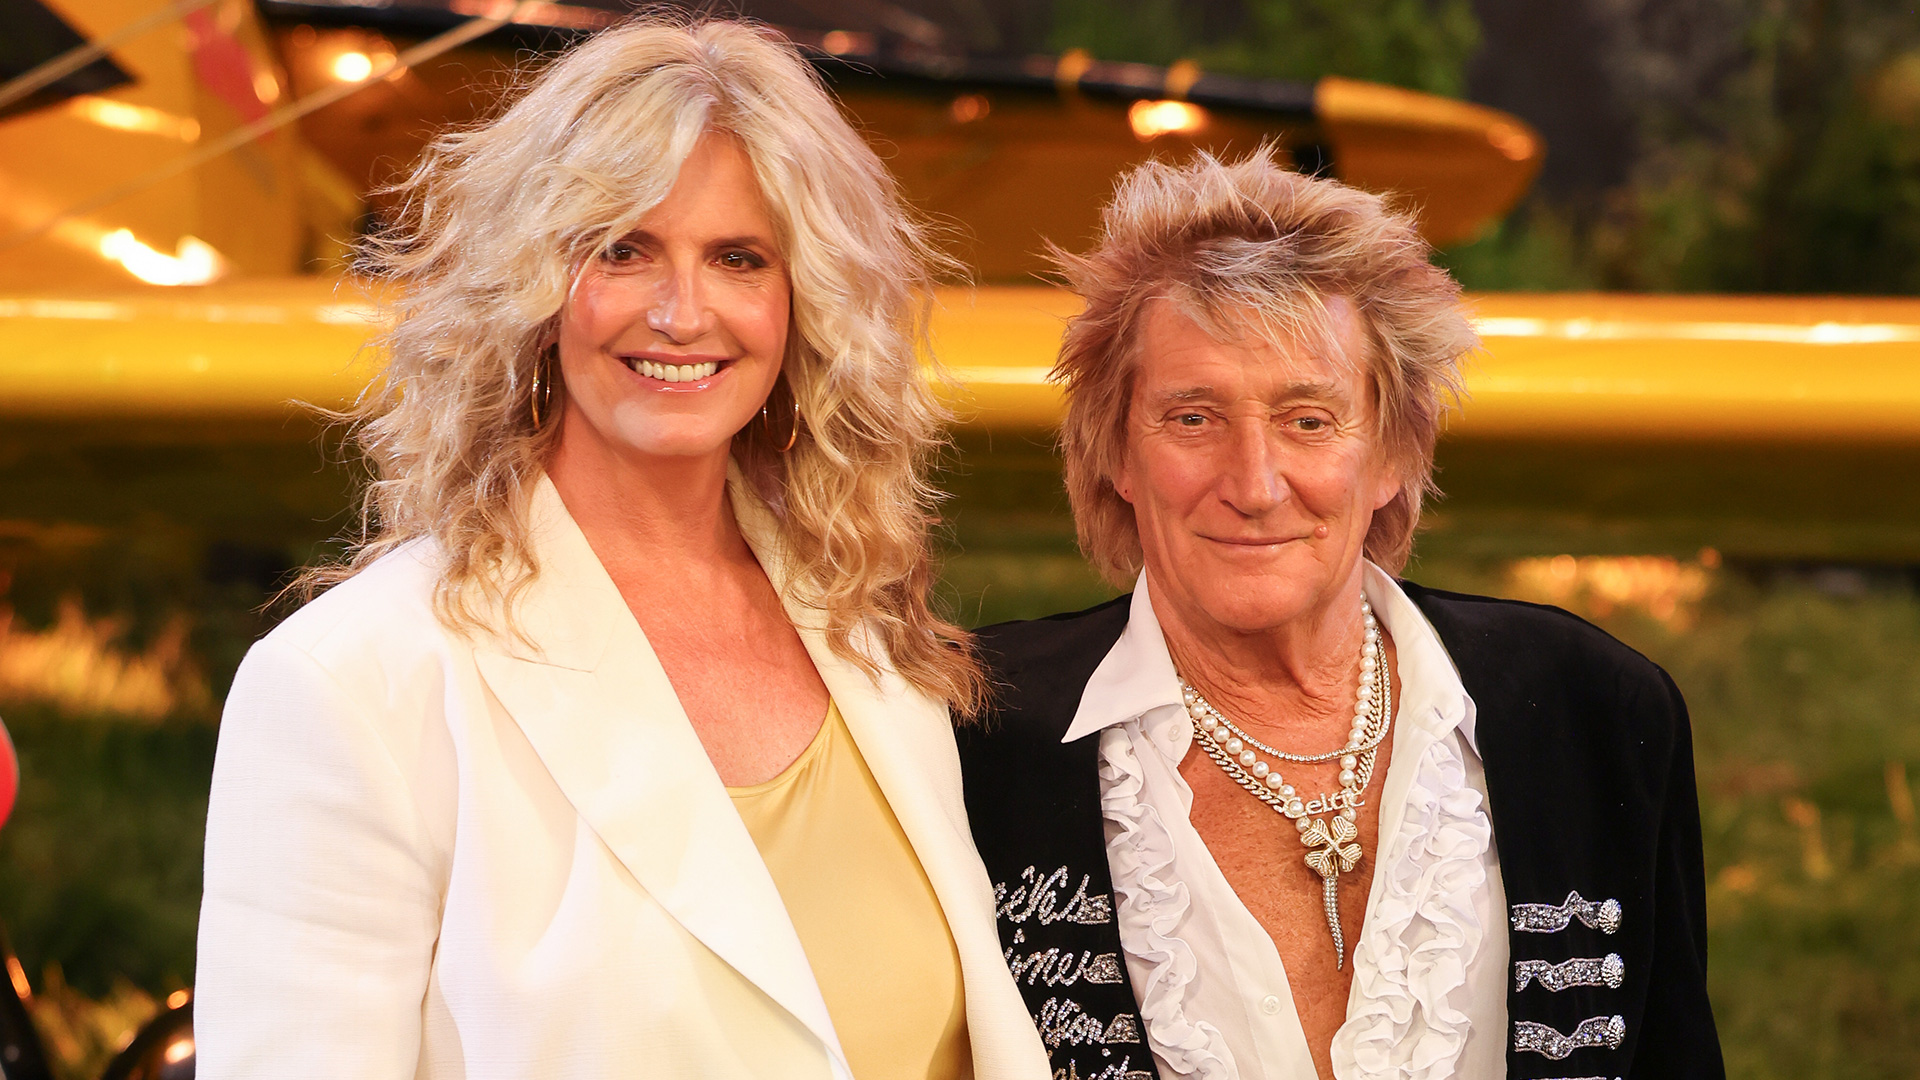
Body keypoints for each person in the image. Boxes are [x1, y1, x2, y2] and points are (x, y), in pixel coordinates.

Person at [195, 17, 1051, 1080]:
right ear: (535, 292)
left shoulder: (865, 631)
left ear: (802, 304)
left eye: (739, 258)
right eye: (624, 250)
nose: (683, 312)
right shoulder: (350, 685)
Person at [956, 150, 1724, 1080]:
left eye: (1309, 420)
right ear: (1116, 451)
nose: (1254, 483)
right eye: (1193, 418)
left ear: (1395, 451)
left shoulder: (1596, 710)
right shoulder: (970, 735)